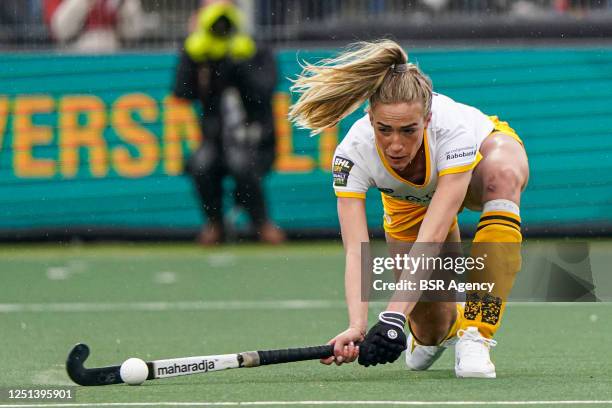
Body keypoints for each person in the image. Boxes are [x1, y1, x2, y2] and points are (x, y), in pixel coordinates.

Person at [289, 40, 528, 378]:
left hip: (472, 174)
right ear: (370, 117)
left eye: (409, 130)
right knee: (429, 333)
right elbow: (357, 253)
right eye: (384, 130)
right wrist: (357, 326)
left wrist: (391, 316)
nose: (396, 144)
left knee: (502, 176)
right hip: (408, 204)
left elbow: (431, 238)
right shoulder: (352, 154)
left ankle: (477, 331)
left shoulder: (453, 132)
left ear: (427, 120)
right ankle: (445, 328)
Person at [173, 0, 285, 245]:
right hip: (214, 140)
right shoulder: (200, 52)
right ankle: (214, 223)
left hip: (255, 138)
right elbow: (181, 92)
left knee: (242, 164)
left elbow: (265, 89)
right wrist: (192, 56)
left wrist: (240, 62)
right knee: (201, 163)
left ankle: (261, 223)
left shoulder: (254, 47)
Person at [43, 0, 150, 53]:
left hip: (113, 61)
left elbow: (134, 33)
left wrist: (125, 5)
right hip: (73, 60)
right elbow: (60, 30)